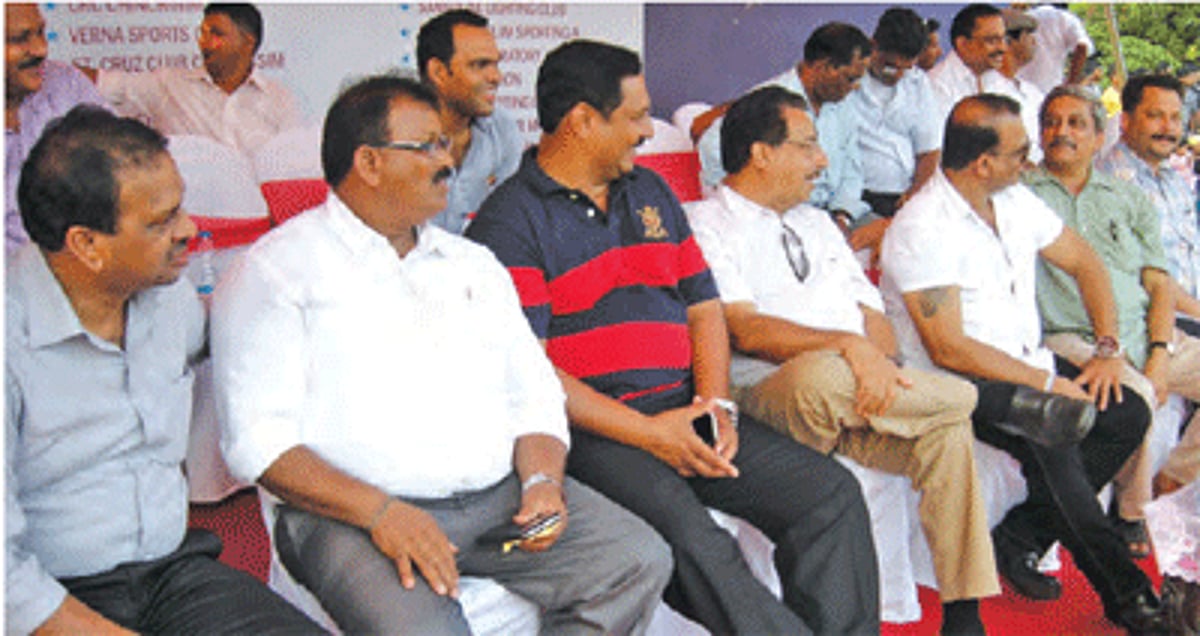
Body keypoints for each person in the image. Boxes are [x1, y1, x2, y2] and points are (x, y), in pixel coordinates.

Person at [212, 74, 671, 634]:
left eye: (446, 143)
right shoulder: (276, 270)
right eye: (427, 145)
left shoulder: (471, 263)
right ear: (369, 163)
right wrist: (379, 512)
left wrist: (543, 483)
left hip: (503, 512)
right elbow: (258, 443)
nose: (449, 159)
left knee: (634, 561)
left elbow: (533, 393)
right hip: (353, 518)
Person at [467, 40, 879, 635]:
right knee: (694, 540)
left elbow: (705, 309)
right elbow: (529, 372)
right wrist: (651, 435)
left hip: (685, 407)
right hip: (595, 432)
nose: (645, 132)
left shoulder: (650, 191)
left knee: (828, 496)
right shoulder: (510, 221)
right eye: (635, 116)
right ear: (583, 121)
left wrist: (714, 404)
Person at [687, 85, 997, 635]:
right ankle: (975, 396)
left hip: (855, 397)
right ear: (762, 152)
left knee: (945, 434)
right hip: (773, 388)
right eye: (807, 146)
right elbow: (746, 328)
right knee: (834, 375)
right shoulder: (706, 222)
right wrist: (851, 349)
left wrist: (876, 358)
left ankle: (962, 612)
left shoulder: (815, 224)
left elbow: (873, 316)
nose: (822, 161)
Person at [6, 104, 321, 635]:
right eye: (161, 221)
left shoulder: (165, 300)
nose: (190, 230)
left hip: (171, 574)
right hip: (48, 594)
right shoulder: (10, 341)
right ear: (86, 244)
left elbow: (227, 343)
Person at [880, 93, 1168, 632]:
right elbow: (948, 348)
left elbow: (1085, 262)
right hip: (955, 383)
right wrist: (1046, 383)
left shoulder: (1011, 200)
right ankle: (1134, 602)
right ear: (983, 162)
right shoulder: (922, 227)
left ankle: (1020, 537)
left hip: (1025, 365)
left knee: (1128, 412)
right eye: (1019, 152)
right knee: (1052, 433)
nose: (1029, 161)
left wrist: (1107, 351)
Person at [1027, 84, 1200, 558]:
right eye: (1052, 123)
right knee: (1136, 393)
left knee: (1156, 376)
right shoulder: (1021, 195)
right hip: (1074, 336)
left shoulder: (1128, 198)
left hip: (1146, 330)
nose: (1062, 132)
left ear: (1098, 135)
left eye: (1076, 123)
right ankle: (1130, 516)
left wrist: (1161, 352)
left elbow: (1160, 286)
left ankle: (1174, 482)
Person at [698, 23, 872, 234]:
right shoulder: (770, 101)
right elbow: (711, 147)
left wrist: (843, 216)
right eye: (851, 78)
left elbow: (853, 173)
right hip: (783, 213)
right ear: (822, 67)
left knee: (893, 234)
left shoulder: (844, 107)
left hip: (835, 216)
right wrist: (756, 200)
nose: (856, 87)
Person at [84, 3, 303, 155]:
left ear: (247, 42)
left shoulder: (279, 99)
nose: (204, 43)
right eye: (202, 34)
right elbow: (102, 82)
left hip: (255, 216)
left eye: (216, 34)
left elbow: (289, 167)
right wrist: (53, 67)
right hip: (189, 215)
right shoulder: (168, 84)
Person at [5, 2, 107, 251]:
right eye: (20, 39)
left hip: (75, 264)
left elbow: (116, 168)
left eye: (40, 32)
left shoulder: (66, 84)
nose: (41, 49)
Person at [1099, 75, 1200, 319]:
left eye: (1175, 118)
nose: (1168, 128)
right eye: (1155, 116)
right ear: (1125, 120)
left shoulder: (1174, 180)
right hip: (1156, 323)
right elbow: (1142, 277)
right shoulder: (1111, 184)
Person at [843, 8, 940, 257]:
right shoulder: (846, 79)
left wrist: (911, 201)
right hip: (854, 200)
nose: (897, 75)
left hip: (902, 199)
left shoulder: (918, 84)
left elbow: (929, 153)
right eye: (889, 67)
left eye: (905, 68)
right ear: (873, 46)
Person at [417, 9, 522, 234]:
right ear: (439, 71)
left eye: (496, 64)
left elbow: (510, 223)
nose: (496, 77)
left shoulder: (502, 129)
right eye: (480, 65)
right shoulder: (396, 134)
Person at [927, 4, 1008, 127]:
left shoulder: (997, 80)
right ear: (963, 44)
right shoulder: (937, 85)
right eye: (992, 41)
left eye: (1004, 39)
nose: (1003, 48)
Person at [995, 8, 1046, 165]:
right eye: (1028, 35)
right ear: (1009, 42)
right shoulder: (989, 90)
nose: (1034, 42)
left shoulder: (1032, 91)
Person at [1017, 3, 1095, 94]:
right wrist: (1071, 82)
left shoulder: (1023, 18)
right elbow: (1083, 46)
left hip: (1021, 87)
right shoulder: (1066, 19)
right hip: (1051, 89)